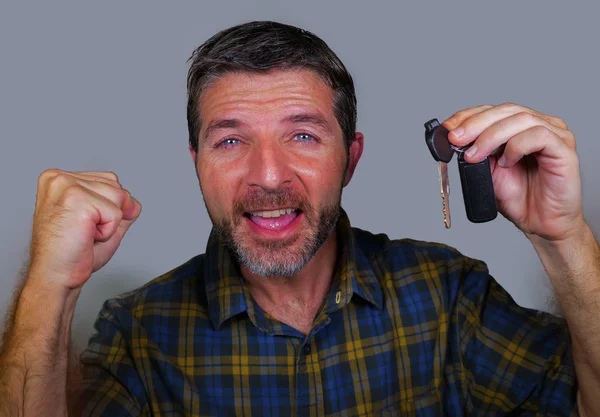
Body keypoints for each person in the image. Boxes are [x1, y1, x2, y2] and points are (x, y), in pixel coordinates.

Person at [0, 20, 598, 417]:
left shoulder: (449, 296)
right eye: (230, 142)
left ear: (352, 159)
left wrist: (562, 237)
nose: (267, 176)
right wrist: (49, 287)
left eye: (304, 135)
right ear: (196, 163)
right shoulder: (136, 335)